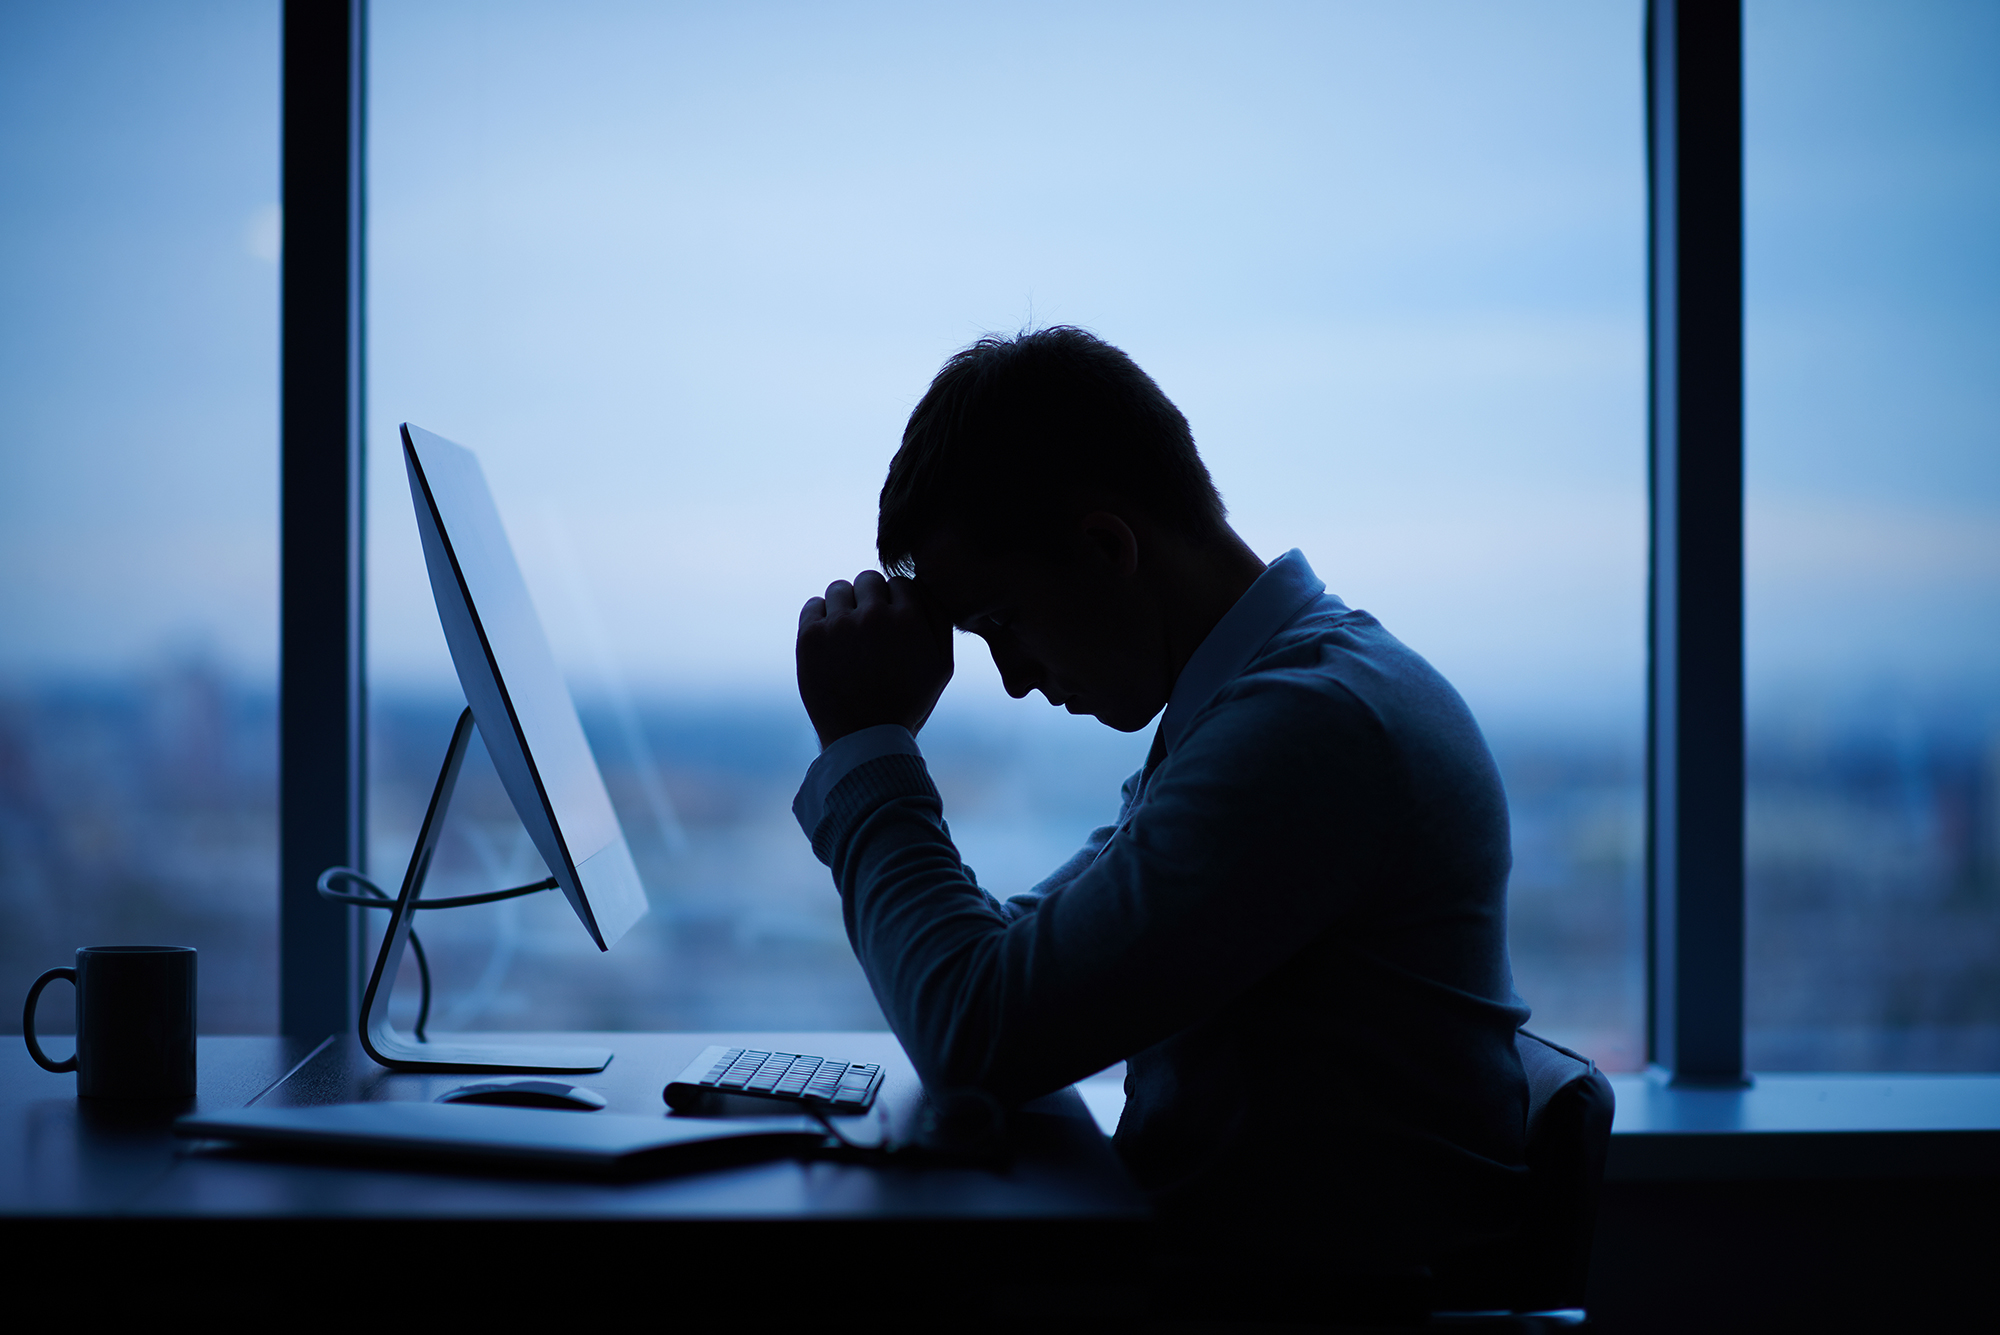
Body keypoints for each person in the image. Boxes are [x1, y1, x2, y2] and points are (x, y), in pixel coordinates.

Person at [791, 326, 1530, 1292]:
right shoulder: (1269, 701)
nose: (1013, 680)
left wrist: (863, 741)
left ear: (1107, 548)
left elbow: (979, 1031)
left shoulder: (1311, 732)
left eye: (1005, 623)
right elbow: (1024, 965)